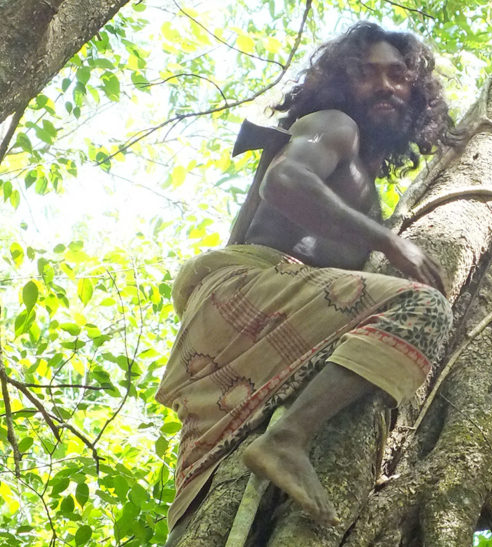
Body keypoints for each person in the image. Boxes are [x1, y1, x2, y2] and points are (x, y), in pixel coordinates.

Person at [156, 21, 454, 531]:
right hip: (252, 287)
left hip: (233, 327)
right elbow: (286, 182)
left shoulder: (363, 176)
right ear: (342, 82)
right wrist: (388, 241)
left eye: (399, 75)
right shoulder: (335, 124)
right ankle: (287, 438)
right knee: (422, 307)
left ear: (418, 91)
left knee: (208, 501)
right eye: (367, 73)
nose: (384, 85)